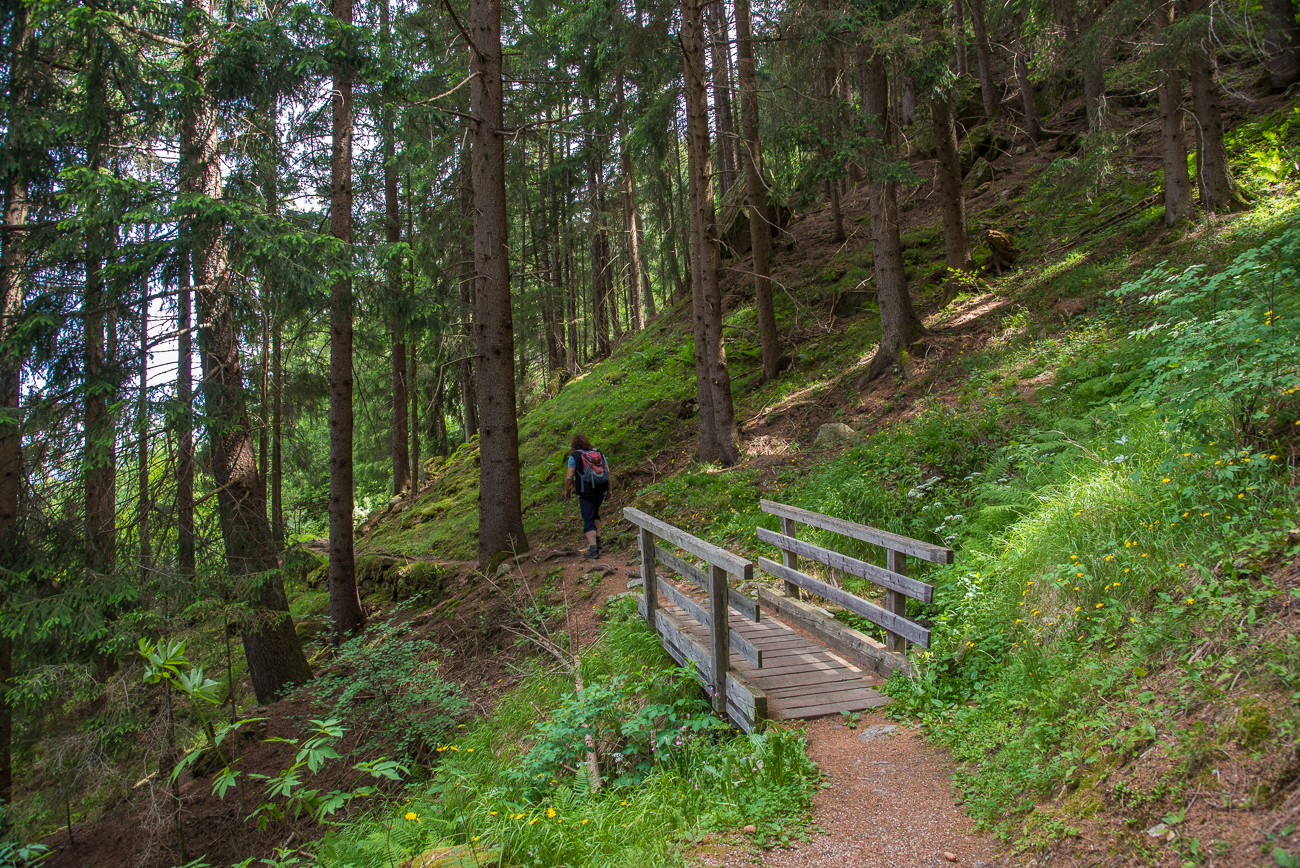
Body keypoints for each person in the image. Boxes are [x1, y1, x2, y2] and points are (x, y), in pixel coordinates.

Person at [563, 433, 610, 559]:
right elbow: (608, 471)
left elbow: (569, 476)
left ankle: (593, 548)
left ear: (573, 444)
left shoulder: (574, 456)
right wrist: (609, 490)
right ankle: (598, 539)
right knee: (595, 513)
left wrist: (567, 490)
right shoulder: (598, 453)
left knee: (588, 517)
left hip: (585, 491)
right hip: (601, 488)